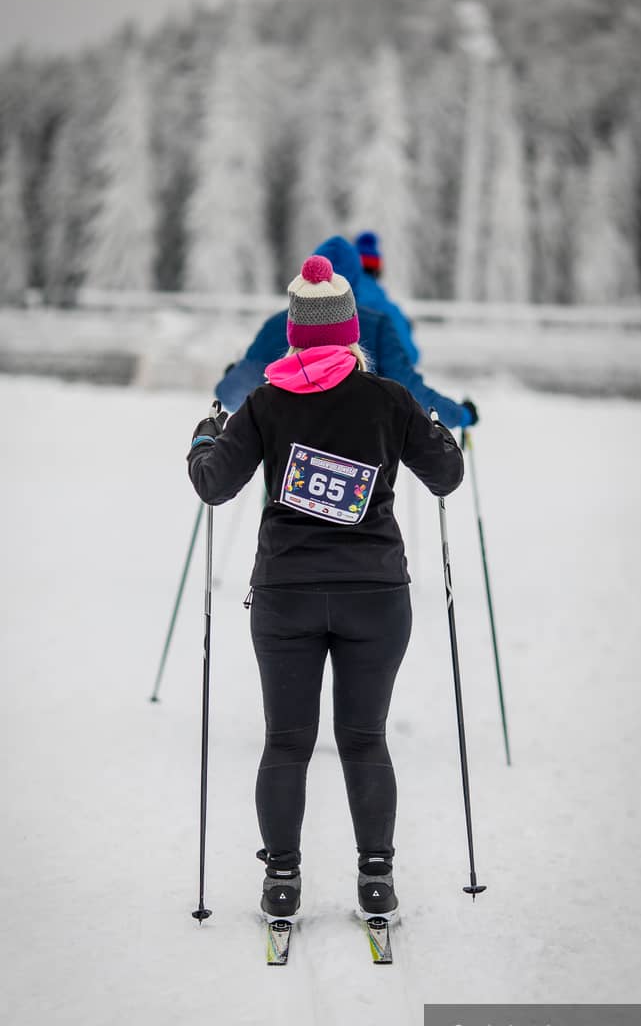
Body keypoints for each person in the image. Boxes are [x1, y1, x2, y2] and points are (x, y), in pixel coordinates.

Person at [187, 253, 464, 923]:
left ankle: (281, 882)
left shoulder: (265, 403)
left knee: (286, 741)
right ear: (349, 333)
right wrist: (434, 430)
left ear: (293, 334)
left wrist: (204, 440)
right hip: (376, 597)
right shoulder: (388, 400)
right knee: (364, 739)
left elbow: (213, 486)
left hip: (287, 597)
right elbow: (446, 475)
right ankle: (377, 882)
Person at [215, 235, 479, 432]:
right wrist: (459, 415)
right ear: (353, 279)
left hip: (286, 467)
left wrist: (233, 376)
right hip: (361, 467)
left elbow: (235, 394)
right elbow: (411, 392)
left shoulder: (279, 324)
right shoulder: (377, 325)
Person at [354, 229, 420, 365]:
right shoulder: (389, 311)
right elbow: (410, 356)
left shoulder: (334, 305)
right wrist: (406, 327)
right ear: (378, 270)